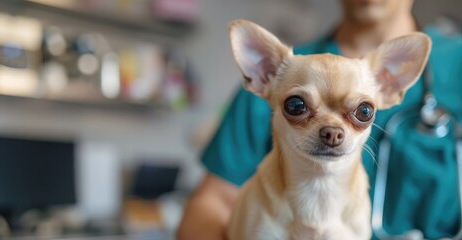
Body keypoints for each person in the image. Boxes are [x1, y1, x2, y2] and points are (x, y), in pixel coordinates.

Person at [177, 0, 462, 239]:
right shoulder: (283, 71)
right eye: (298, 106)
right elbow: (212, 202)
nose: (332, 132)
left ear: (391, 84)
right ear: (263, 76)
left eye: (362, 113)